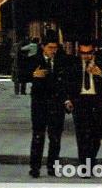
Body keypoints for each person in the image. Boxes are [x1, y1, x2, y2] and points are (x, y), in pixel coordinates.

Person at [65, 37, 102, 171]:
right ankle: (84, 165)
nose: (86, 56)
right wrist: (68, 99)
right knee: (82, 135)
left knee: (95, 135)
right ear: (79, 52)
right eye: (83, 53)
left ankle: (91, 160)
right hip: (80, 101)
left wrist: (100, 74)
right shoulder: (73, 65)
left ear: (93, 52)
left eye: (88, 53)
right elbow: (67, 83)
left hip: (97, 101)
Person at [27, 38, 71, 178]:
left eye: (55, 48)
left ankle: (52, 166)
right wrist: (33, 75)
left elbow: (65, 82)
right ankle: (35, 167)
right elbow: (21, 75)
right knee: (38, 136)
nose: (53, 51)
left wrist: (66, 100)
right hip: (40, 103)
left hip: (56, 103)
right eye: (50, 47)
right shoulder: (34, 60)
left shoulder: (61, 61)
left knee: (55, 137)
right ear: (43, 47)